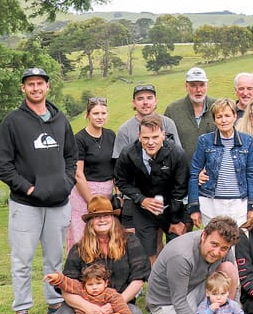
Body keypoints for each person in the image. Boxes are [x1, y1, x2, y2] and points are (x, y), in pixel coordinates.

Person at [0, 195, 149, 314]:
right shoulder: (79, 249)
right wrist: (87, 307)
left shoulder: (129, 241)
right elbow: (66, 287)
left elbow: (138, 279)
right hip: (82, 303)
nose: (102, 220)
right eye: (96, 216)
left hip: (117, 302)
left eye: (106, 215)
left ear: (113, 218)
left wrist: (113, 305)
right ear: (90, 222)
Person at [147, 216, 241, 314]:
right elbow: (178, 301)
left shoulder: (224, 247)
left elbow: (233, 283)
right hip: (167, 301)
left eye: (224, 248)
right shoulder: (181, 255)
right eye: (214, 244)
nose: (216, 252)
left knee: (229, 268)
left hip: (195, 286)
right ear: (203, 235)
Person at [114, 114, 190, 264]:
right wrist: (141, 199)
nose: (150, 142)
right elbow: (121, 182)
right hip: (143, 208)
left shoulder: (177, 153)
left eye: (155, 137)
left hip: (172, 206)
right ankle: (154, 285)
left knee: (178, 251)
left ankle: (174, 283)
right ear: (139, 136)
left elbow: (180, 188)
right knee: (147, 251)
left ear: (163, 135)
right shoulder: (128, 153)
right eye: (146, 138)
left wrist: (174, 219)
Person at [188, 98, 253, 228]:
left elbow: (252, 174)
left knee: (239, 241)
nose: (223, 120)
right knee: (214, 241)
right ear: (214, 120)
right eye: (219, 117)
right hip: (210, 202)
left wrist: (252, 206)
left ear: (235, 116)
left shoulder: (247, 141)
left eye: (227, 115)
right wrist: (194, 207)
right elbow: (194, 173)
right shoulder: (205, 141)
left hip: (239, 202)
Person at [69, 96, 116, 251]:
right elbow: (78, 174)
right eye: (96, 113)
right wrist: (91, 201)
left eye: (103, 113)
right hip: (85, 192)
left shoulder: (111, 136)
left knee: (104, 235)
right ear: (88, 115)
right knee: (82, 236)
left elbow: (115, 167)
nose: (100, 117)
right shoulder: (79, 139)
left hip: (107, 191)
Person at [113, 84, 183, 159]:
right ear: (134, 103)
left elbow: (178, 155)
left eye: (149, 98)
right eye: (140, 99)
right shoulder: (124, 130)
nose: (145, 102)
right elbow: (119, 161)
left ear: (155, 101)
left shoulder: (168, 123)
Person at [163, 67, 216, 162]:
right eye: (193, 85)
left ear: (207, 86)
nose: (198, 90)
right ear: (186, 86)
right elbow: (165, 144)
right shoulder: (172, 110)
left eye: (202, 85)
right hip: (183, 172)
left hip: (213, 172)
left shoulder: (217, 107)